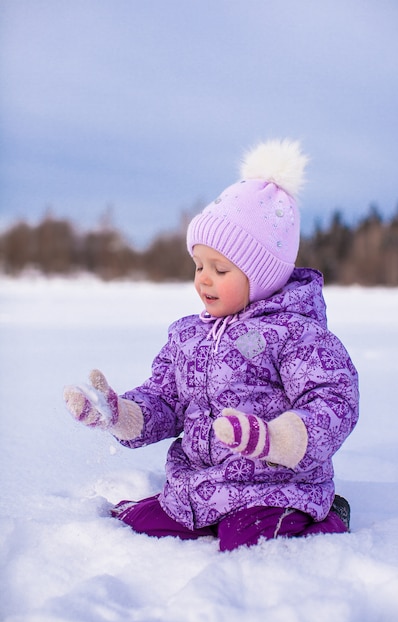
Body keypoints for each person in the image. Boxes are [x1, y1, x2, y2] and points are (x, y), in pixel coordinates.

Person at [64, 139, 359, 551]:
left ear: (264, 276)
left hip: (278, 486)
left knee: (245, 538)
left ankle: (326, 518)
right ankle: (192, 511)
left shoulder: (295, 333)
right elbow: (165, 401)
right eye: (199, 265)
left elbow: (334, 400)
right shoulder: (188, 335)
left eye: (220, 269)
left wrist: (281, 439)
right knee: (138, 523)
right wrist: (121, 413)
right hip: (200, 485)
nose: (203, 278)